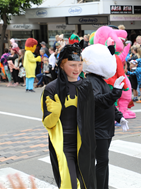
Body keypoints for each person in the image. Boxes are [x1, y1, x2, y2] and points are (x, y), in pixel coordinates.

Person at [41, 43, 96, 189]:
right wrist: (55, 112)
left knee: (85, 183)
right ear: (62, 65)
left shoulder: (86, 85)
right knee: (69, 183)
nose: (77, 69)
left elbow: (93, 111)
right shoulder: (52, 88)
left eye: (79, 64)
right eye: (72, 65)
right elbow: (48, 123)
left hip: (84, 143)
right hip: (64, 144)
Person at [82, 44, 129, 189]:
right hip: (97, 129)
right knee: (101, 162)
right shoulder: (90, 80)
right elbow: (97, 101)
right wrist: (114, 92)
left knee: (103, 162)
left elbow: (108, 103)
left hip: (104, 129)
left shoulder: (99, 80)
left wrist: (118, 116)